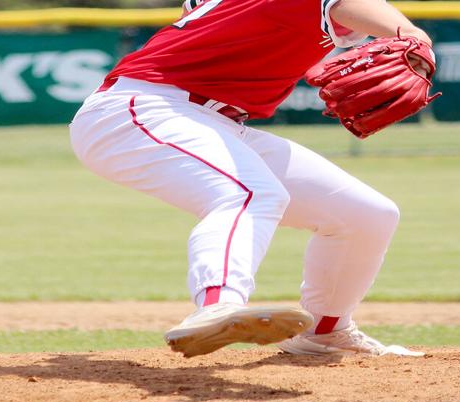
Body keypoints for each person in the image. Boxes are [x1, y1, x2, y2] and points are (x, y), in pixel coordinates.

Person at [70, 0, 430, 358]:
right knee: (251, 193)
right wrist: (414, 36)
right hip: (143, 108)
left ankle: (325, 333)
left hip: (209, 119)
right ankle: (217, 304)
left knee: (366, 214)